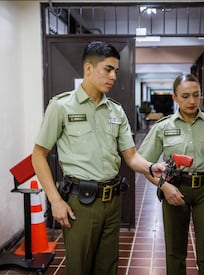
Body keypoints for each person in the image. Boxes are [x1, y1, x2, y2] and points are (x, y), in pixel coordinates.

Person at [31, 40, 166, 275]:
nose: (113, 76)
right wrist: (55, 201)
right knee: (79, 267)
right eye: (108, 69)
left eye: (116, 70)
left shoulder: (116, 110)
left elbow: (132, 157)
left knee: (108, 267)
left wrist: (151, 167)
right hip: (80, 203)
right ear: (88, 69)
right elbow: (38, 155)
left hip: (112, 202)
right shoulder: (62, 107)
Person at [138, 73, 204, 275]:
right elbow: (143, 165)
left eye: (196, 95)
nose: (192, 101)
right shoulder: (163, 126)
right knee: (175, 251)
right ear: (175, 97)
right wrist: (164, 186)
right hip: (175, 189)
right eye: (185, 96)